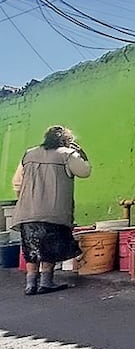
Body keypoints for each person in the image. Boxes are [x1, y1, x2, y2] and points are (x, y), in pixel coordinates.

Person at [10, 126, 91, 295]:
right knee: (49, 246)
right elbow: (85, 171)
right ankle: (46, 282)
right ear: (67, 140)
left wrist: (25, 200)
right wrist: (81, 153)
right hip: (53, 212)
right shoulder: (67, 154)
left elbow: (17, 182)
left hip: (27, 211)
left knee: (31, 247)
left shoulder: (29, 154)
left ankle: (30, 284)